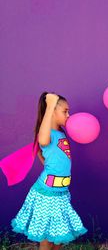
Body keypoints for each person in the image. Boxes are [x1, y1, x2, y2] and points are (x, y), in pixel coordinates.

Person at [12, 92, 87, 250]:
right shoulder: (47, 134)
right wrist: (50, 104)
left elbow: (49, 157)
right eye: (65, 111)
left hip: (61, 192)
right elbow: (43, 140)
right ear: (52, 111)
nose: (69, 115)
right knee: (47, 238)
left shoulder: (60, 133)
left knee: (58, 238)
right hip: (46, 193)